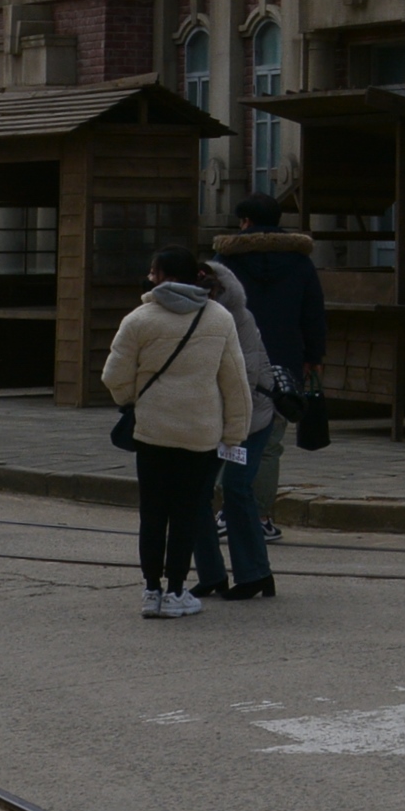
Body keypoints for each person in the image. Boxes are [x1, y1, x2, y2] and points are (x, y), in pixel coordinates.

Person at [100, 243, 249, 620]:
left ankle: (151, 590)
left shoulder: (139, 319)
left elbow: (114, 376)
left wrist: (135, 400)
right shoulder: (218, 318)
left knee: (153, 512)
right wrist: (235, 432)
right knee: (187, 513)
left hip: (153, 431)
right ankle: (177, 592)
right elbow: (235, 382)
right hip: (200, 432)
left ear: (162, 276)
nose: (150, 277)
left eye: (153, 272)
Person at [215, 193, 327, 532]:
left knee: (229, 437)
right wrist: (313, 357)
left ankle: (228, 513)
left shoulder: (225, 261)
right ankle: (261, 517)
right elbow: (313, 313)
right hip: (283, 361)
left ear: (245, 221)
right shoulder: (300, 262)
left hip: (233, 357)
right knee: (269, 445)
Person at [187, 250, 278, 601]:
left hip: (250, 416)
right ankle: (211, 573)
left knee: (237, 488)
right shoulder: (185, 315)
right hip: (211, 417)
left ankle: (256, 574)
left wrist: (229, 427)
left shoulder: (236, 317)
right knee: (196, 491)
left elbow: (247, 377)